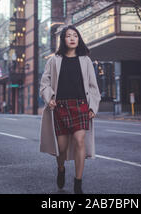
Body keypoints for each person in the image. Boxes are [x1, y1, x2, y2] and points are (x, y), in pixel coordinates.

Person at [39, 25, 101, 194]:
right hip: (60, 107)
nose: (72, 38)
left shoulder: (86, 60)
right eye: (68, 36)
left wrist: (93, 107)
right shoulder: (54, 60)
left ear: (79, 39)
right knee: (62, 147)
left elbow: (93, 87)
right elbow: (44, 83)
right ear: (63, 40)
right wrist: (50, 98)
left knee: (80, 140)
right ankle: (61, 168)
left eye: (75, 35)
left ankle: (78, 182)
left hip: (81, 106)